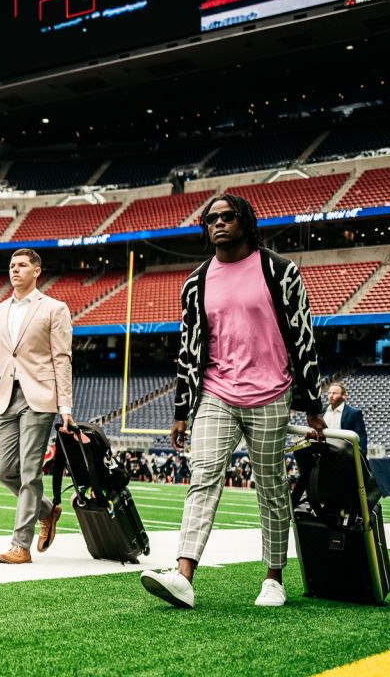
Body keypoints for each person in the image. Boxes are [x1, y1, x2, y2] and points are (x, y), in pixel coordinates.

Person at [141, 195, 326, 610]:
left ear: (246, 220)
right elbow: (188, 348)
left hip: (271, 393)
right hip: (216, 393)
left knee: (272, 489)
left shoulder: (280, 271)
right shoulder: (196, 282)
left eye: (227, 216)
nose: (219, 223)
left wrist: (312, 403)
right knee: (203, 475)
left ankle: (273, 577)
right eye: (211, 219)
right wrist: (180, 410)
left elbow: (303, 336)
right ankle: (183, 575)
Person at [0, 248, 74, 565]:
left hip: (39, 397)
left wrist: (65, 406)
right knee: (2, 471)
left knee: (29, 472)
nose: (15, 270)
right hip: (4, 397)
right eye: (12, 265)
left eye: (23, 265)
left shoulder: (55, 309)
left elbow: (62, 359)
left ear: (36, 271)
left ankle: (20, 546)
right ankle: (46, 511)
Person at [323, 382, 369, 455]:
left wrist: (362, 454)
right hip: (325, 452)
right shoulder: (322, 411)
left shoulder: (354, 413)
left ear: (344, 396)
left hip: (344, 454)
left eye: (334, 393)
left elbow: (361, 435)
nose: (331, 396)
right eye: (329, 393)